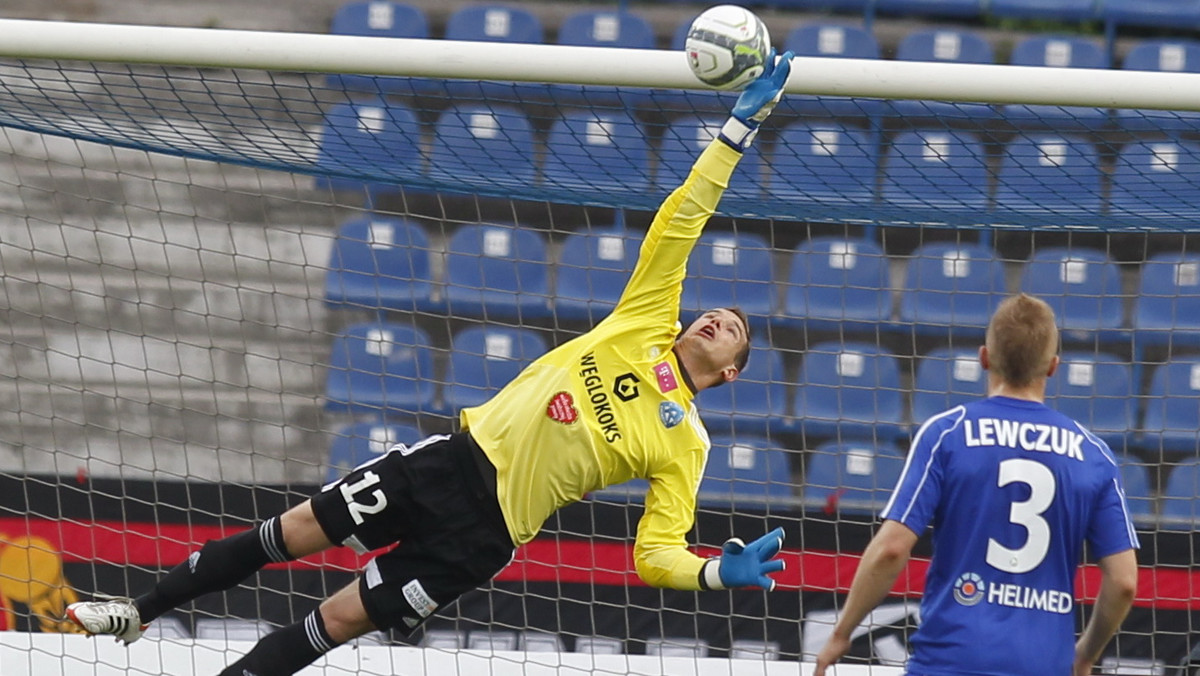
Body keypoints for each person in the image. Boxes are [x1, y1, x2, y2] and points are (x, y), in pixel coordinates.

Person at [65, 51, 796, 676]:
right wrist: (737, 131)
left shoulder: (686, 442)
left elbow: (653, 554)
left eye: (734, 330)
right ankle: (138, 610)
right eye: (717, 311)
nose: (718, 318)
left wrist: (708, 571)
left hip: (486, 534)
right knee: (284, 536)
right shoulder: (644, 320)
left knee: (338, 619)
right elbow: (683, 217)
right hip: (447, 462)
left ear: (731, 371)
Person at [814, 293, 1140, 676]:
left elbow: (890, 550)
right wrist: (1085, 654)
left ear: (985, 357)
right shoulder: (1093, 454)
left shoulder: (948, 433)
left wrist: (842, 631)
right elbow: (1123, 583)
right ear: (1053, 367)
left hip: (950, 660)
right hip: (1042, 665)